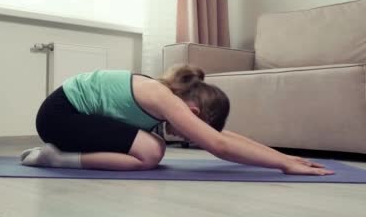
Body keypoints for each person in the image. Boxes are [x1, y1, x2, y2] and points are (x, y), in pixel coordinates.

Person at [20, 64, 334, 176]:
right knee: (150, 153)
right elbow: (219, 144)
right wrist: (282, 167)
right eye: (197, 126)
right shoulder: (163, 98)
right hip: (60, 117)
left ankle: (59, 155)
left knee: (153, 145)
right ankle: (59, 159)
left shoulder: (168, 96)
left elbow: (228, 136)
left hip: (69, 117)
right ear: (195, 113)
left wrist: (283, 156)